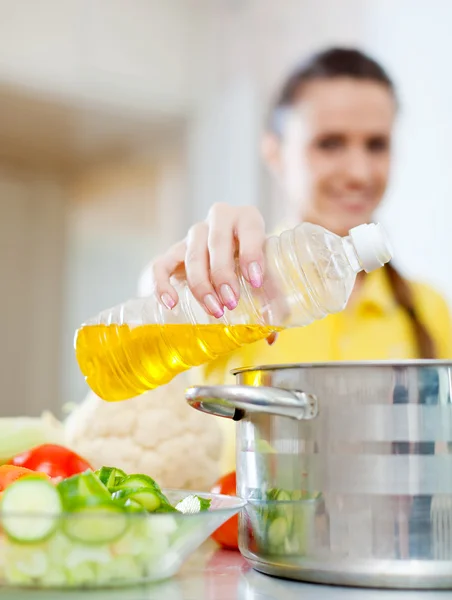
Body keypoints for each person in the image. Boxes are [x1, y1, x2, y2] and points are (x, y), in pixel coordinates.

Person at [140, 47, 452, 474]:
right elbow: (147, 333)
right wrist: (172, 283)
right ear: (274, 152)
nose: (359, 171)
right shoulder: (231, 285)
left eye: (376, 145)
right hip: (246, 541)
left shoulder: (429, 309)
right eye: (330, 143)